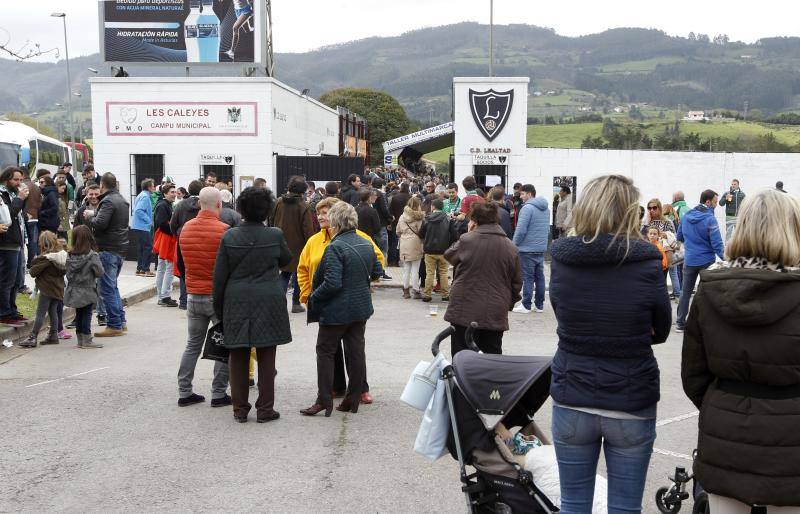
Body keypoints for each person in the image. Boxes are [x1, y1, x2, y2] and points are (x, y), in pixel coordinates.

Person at [548, 175, 671, 513]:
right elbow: (661, 328)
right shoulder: (646, 259)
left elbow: (562, 313)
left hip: (573, 392)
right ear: (630, 212)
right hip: (631, 395)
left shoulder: (562, 256)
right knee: (625, 507)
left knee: (573, 503)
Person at [682, 189, 800, 511]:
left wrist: (727, 405)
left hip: (725, 436)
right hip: (791, 445)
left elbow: (693, 375)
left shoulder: (709, 289)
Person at [213, 186, 291, 423]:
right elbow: (287, 259)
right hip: (268, 298)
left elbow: (219, 277)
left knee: (238, 355)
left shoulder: (230, 236)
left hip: (236, 299)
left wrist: (219, 310)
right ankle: (265, 409)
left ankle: (240, 409)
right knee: (267, 355)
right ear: (267, 209)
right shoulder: (274, 235)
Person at [297, 197, 383, 404]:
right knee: (332, 350)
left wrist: (359, 281)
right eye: (319, 213)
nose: (321, 216)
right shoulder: (314, 241)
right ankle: (336, 387)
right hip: (326, 301)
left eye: (326, 212)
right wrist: (306, 295)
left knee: (351, 349)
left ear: (336, 216)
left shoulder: (359, 237)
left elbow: (377, 262)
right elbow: (303, 269)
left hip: (339, 300)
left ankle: (359, 389)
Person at [177, 187, 231, 408]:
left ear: (200, 204)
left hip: (193, 294)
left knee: (192, 344)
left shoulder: (185, 229)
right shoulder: (224, 230)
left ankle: (184, 391)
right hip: (217, 297)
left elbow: (180, 264)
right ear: (219, 204)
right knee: (223, 345)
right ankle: (218, 393)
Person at [444, 202, 522, 355]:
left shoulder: (467, 241)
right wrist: (506, 303)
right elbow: (516, 283)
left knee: (463, 356)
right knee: (491, 357)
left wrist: (468, 233)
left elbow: (449, 255)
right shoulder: (510, 247)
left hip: (464, 307)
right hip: (495, 309)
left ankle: (464, 379)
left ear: (474, 221)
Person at [86, 173, 129, 337]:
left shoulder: (109, 201)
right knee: (113, 287)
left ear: (103, 186)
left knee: (107, 289)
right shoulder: (121, 199)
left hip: (108, 249)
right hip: (120, 248)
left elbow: (100, 224)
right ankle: (121, 322)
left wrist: (91, 216)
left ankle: (114, 325)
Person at [675, 189, 725, 333]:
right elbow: (717, 246)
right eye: (715, 202)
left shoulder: (685, 217)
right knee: (707, 293)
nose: (716, 205)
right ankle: (704, 323)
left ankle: (680, 323)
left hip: (689, 261)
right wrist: (729, 260)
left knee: (685, 292)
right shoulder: (710, 219)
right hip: (706, 262)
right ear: (708, 202)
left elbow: (680, 237)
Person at [271, 175, 315, 314]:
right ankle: (296, 304)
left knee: (283, 274)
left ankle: (278, 304)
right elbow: (308, 229)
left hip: (280, 243)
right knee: (298, 276)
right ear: (302, 190)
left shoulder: (279, 202)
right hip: (299, 246)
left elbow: (272, 220)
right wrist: (311, 245)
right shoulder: (303, 206)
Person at [19, 231, 67, 347]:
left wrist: (39, 260)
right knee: (53, 312)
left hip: (47, 288)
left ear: (42, 244)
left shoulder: (45, 258)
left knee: (40, 313)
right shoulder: (61, 256)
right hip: (58, 289)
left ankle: (33, 337)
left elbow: (33, 272)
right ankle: (53, 335)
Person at [63, 225, 105, 349]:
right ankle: (87, 339)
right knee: (86, 314)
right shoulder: (92, 256)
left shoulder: (70, 255)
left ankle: (80, 339)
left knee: (79, 313)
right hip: (87, 288)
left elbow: (67, 272)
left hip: (74, 288)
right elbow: (100, 272)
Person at [512, 184, 550, 314]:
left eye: (522, 194)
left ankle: (526, 305)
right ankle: (539, 305)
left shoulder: (527, 208)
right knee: (540, 277)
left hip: (527, 249)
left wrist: (514, 244)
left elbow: (521, 230)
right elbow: (547, 229)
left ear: (529, 194)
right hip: (540, 248)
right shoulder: (546, 209)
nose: (521, 197)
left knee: (528, 277)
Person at [73, 184, 107, 326]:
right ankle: (79, 316)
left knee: (101, 284)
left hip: (101, 251)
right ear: (86, 195)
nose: (93, 197)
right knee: (82, 284)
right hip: (84, 253)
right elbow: (75, 231)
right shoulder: (81, 211)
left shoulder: (105, 209)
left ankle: (101, 313)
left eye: (96, 194)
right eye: (91, 194)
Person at [0, 167, 30, 327]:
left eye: (21, 180)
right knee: (7, 280)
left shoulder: (11, 194)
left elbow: (17, 214)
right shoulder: (2, 195)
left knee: (17, 280)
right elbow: (8, 215)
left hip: (16, 241)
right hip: (6, 242)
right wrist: (19, 198)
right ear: (6, 179)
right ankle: (4, 313)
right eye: (16, 180)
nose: (19, 183)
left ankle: (12, 310)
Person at [419, 199, 457, 302]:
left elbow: (421, 234)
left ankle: (427, 294)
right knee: (443, 273)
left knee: (430, 273)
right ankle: (445, 295)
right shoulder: (448, 219)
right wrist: (448, 245)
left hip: (429, 251)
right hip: (444, 251)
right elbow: (455, 236)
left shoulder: (427, 219)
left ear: (433, 207)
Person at [153, 183, 178, 307]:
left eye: (175, 192)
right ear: (165, 193)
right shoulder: (163, 205)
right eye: (172, 192)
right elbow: (162, 224)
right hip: (166, 239)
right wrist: (174, 230)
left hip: (164, 239)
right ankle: (165, 296)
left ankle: (162, 296)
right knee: (169, 268)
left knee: (163, 268)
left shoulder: (164, 204)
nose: (174, 194)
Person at [396, 196, 424, 299]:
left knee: (406, 269)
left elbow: (397, 231)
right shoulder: (419, 217)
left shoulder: (402, 216)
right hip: (416, 242)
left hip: (404, 242)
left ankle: (406, 291)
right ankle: (416, 290)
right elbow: (421, 232)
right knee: (415, 269)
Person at [131, 179, 156, 277]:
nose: (154, 188)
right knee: (147, 247)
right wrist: (149, 221)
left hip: (138, 226)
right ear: (149, 187)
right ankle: (145, 269)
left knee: (142, 248)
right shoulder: (145, 197)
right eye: (153, 186)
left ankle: (139, 269)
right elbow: (138, 210)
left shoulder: (141, 195)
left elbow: (134, 209)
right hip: (143, 227)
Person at [21, 168, 41, 269]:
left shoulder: (22, 186)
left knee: (25, 242)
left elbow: (21, 202)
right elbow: (40, 202)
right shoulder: (36, 186)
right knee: (33, 241)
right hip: (35, 217)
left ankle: (29, 263)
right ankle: (32, 262)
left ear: (22, 174)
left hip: (25, 217)